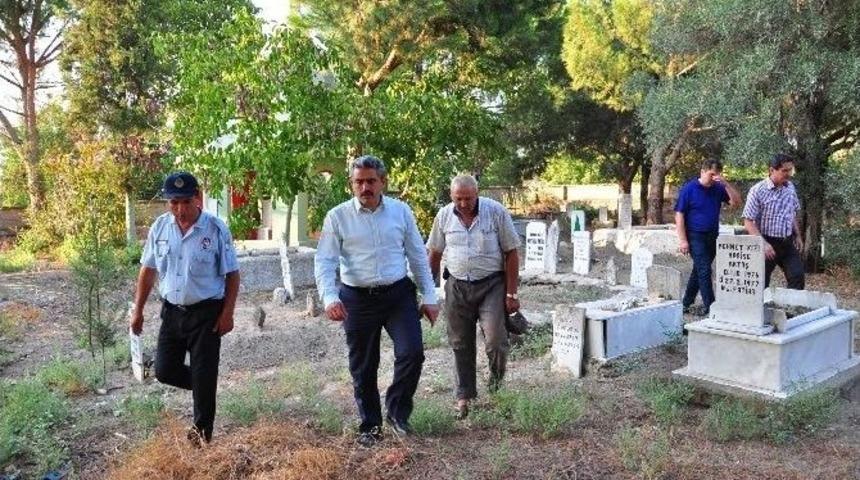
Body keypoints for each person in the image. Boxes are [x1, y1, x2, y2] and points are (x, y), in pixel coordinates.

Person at [314, 155, 439, 447]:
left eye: (371, 181)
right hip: (357, 299)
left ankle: (397, 413)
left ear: (383, 182)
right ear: (351, 184)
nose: (365, 187)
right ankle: (370, 426)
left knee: (412, 353)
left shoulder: (400, 212)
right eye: (359, 182)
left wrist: (430, 296)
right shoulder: (338, 216)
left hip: (398, 295)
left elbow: (418, 256)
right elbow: (325, 261)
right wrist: (330, 297)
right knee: (364, 366)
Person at [130, 171, 239, 444]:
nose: (180, 209)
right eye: (173, 203)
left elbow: (232, 275)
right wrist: (138, 310)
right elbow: (148, 269)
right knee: (164, 371)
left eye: (185, 202)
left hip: (207, 315)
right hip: (172, 313)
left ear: (197, 197)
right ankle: (205, 386)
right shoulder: (160, 227)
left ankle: (201, 438)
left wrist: (228, 314)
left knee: (204, 374)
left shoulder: (215, 228)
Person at [426, 175, 521, 420]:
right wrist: (427, 292)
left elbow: (511, 252)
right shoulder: (444, 215)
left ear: (477, 194)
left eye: (469, 198)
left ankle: (496, 386)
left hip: (491, 285)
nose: (464, 203)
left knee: (496, 341)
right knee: (460, 343)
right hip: (457, 286)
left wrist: (511, 292)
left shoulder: (496, 212)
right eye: (459, 198)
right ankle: (464, 396)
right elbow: (435, 253)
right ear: (451, 196)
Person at [674, 159, 741, 315]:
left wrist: (725, 184)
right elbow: (679, 215)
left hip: (712, 235)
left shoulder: (718, 188)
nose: (714, 178)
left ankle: (686, 303)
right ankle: (711, 307)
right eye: (711, 174)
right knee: (704, 270)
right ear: (703, 171)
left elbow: (736, 203)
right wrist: (683, 240)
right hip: (694, 235)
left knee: (699, 270)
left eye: (717, 175)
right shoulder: (689, 189)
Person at [742, 153, 805, 289]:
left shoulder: (790, 188)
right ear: (772, 170)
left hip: (787, 242)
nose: (788, 174)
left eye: (790, 170)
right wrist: (763, 244)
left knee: (797, 276)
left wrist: (798, 235)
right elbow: (748, 221)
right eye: (784, 171)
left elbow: (792, 213)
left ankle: (790, 309)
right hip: (766, 243)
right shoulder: (757, 191)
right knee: (760, 283)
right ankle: (759, 310)